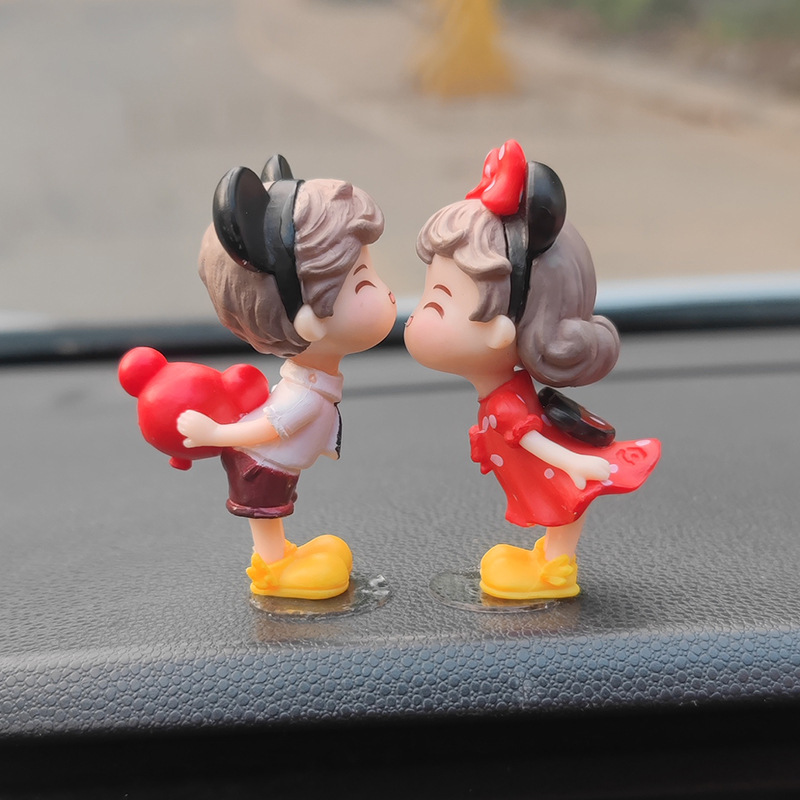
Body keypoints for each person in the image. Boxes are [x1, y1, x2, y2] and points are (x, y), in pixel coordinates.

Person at [404, 140, 660, 600]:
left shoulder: (505, 402)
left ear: (499, 331)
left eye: (436, 303)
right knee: (563, 506)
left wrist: (576, 463)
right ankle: (551, 557)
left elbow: (531, 440)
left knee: (565, 501)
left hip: (549, 467)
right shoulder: (506, 390)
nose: (413, 316)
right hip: (540, 465)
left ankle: (556, 569)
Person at [177, 155, 396, 600]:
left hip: (275, 461)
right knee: (267, 514)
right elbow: (267, 429)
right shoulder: (303, 396)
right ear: (307, 320)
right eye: (363, 283)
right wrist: (214, 433)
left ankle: (281, 558)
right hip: (261, 464)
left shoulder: (309, 380)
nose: (388, 292)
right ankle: (273, 570)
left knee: (276, 513)